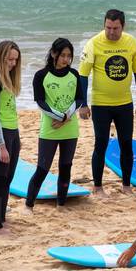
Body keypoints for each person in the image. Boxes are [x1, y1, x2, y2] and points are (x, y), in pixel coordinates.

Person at [78, 9, 136, 195]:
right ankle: (98, 186)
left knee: (126, 144)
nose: (111, 32)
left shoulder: (131, 42)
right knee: (101, 143)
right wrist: (83, 104)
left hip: (124, 103)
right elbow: (82, 76)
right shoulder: (93, 43)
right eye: (108, 27)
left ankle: (126, 186)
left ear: (123, 26)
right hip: (101, 104)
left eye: (115, 28)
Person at [26, 37, 86, 209]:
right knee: (43, 169)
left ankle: (61, 204)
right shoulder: (41, 76)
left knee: (66, 167)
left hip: (70, 128)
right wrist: (60, 117)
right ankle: (29, 204)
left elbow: (79, 99)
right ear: (53, 54)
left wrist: (65, 117)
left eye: (69, 56)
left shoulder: (74, 74)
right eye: (63, 55)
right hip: (50, 128)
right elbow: (40, 102)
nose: (66, 59)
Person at [0, 40, 24, 233]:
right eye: (10, 60)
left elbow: (11, 110)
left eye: (16, 60)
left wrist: (17, 138)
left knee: (8, 178)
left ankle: (2, 218)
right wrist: (1, 145)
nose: (13, 64)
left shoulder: (8, 77)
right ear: (1, 57)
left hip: (12, 132)